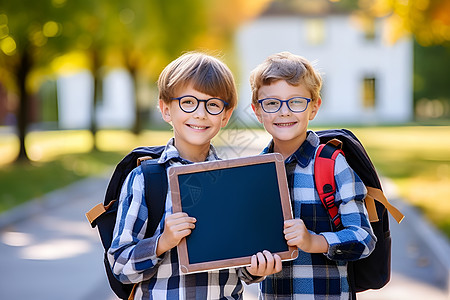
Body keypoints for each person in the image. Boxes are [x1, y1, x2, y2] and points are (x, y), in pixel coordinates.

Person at [108, 51, 282, 300]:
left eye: (212, 104)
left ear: (225, 116)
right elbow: (120, 266)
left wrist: (257, 270)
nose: (200, 114)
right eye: (188, 102)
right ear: (166, 109)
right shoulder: (145, 179)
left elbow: (242, 266)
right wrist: (162, 242)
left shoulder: (234, 181)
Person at [249, 51, 376, 299]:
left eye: (296, 101)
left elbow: (363, 238)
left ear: (314, 107)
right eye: (272, 103)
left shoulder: (332, 164)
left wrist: (314, 242)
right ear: (257, 111)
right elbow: (245, 247)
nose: (284, 112)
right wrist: (253, 270)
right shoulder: (255, 173)